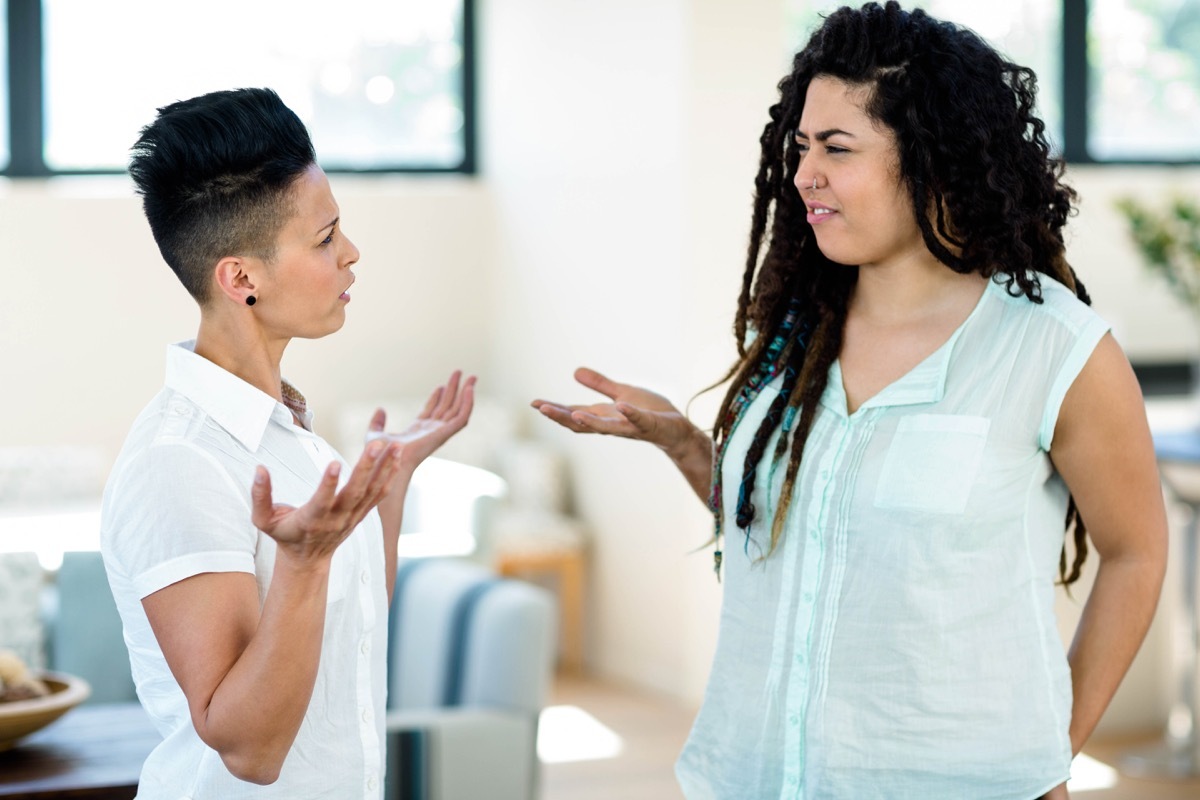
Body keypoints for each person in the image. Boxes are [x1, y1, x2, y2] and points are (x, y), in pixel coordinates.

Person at [533, 3, 1168, 798]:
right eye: (801, 146)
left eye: (837, 147)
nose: (805, 173)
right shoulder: (796, 335)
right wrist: (689, 447)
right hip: (748, 779)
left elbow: (1136, 552)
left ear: (933, 158)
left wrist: (1045, 753)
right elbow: (800, 526)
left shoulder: (1052, 348)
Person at [101, 87, 474, 798]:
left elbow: (349, 628)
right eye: (325, 238)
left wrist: (388, 484)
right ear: (241, 278)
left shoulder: (288, 433)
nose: (351, 253)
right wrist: (304, 564)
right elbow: (250, 750)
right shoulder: (178, 463)